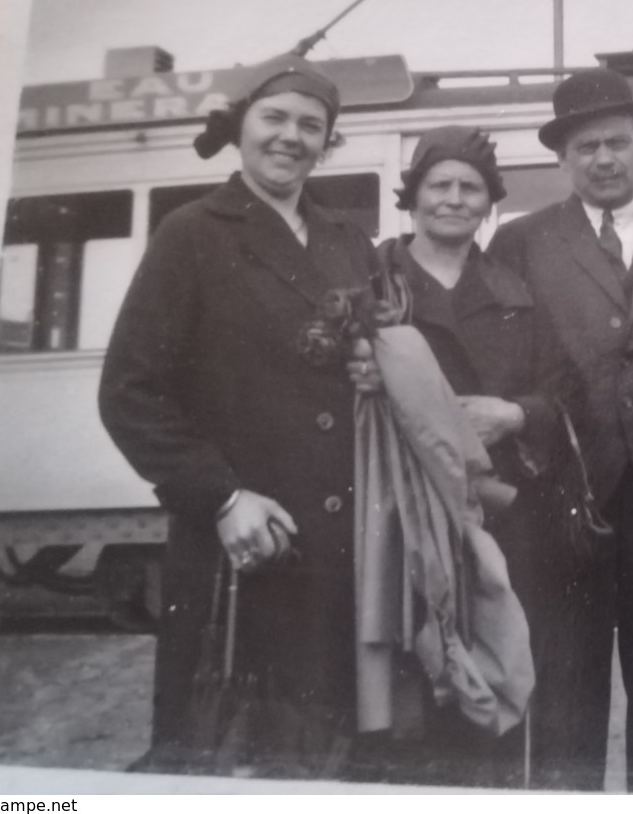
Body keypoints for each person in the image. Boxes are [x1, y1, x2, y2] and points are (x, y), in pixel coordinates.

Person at [99, 52, 377, 777]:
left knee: (328, 758)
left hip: (342, 550)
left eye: (311, 126)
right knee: (229, 758)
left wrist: (377, 368)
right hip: (243, 551)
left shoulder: (349, 239)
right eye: (274, 119)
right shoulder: (191, 234)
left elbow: (372, 360)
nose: (291, 137)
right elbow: (129, 391)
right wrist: (221, 497)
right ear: (242, 129)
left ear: (328, 141)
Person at [487, 68, 633, 793]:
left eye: (617, 143)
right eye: (586, 145)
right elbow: (505, 368)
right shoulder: (520, 243)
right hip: (563, 504)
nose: (603, 159)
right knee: (563, 686)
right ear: (563, 158)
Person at [371, 125, 584, 788]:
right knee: (414, 680)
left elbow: (564, 389)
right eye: (440, 185)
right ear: (413, 197)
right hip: (401, 513)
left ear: (489, 203)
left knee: (494, 672)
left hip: (500, 516)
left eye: (471, 188)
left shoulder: (516, 292)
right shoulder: (374, 279)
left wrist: (516, 414)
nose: (454, 200)